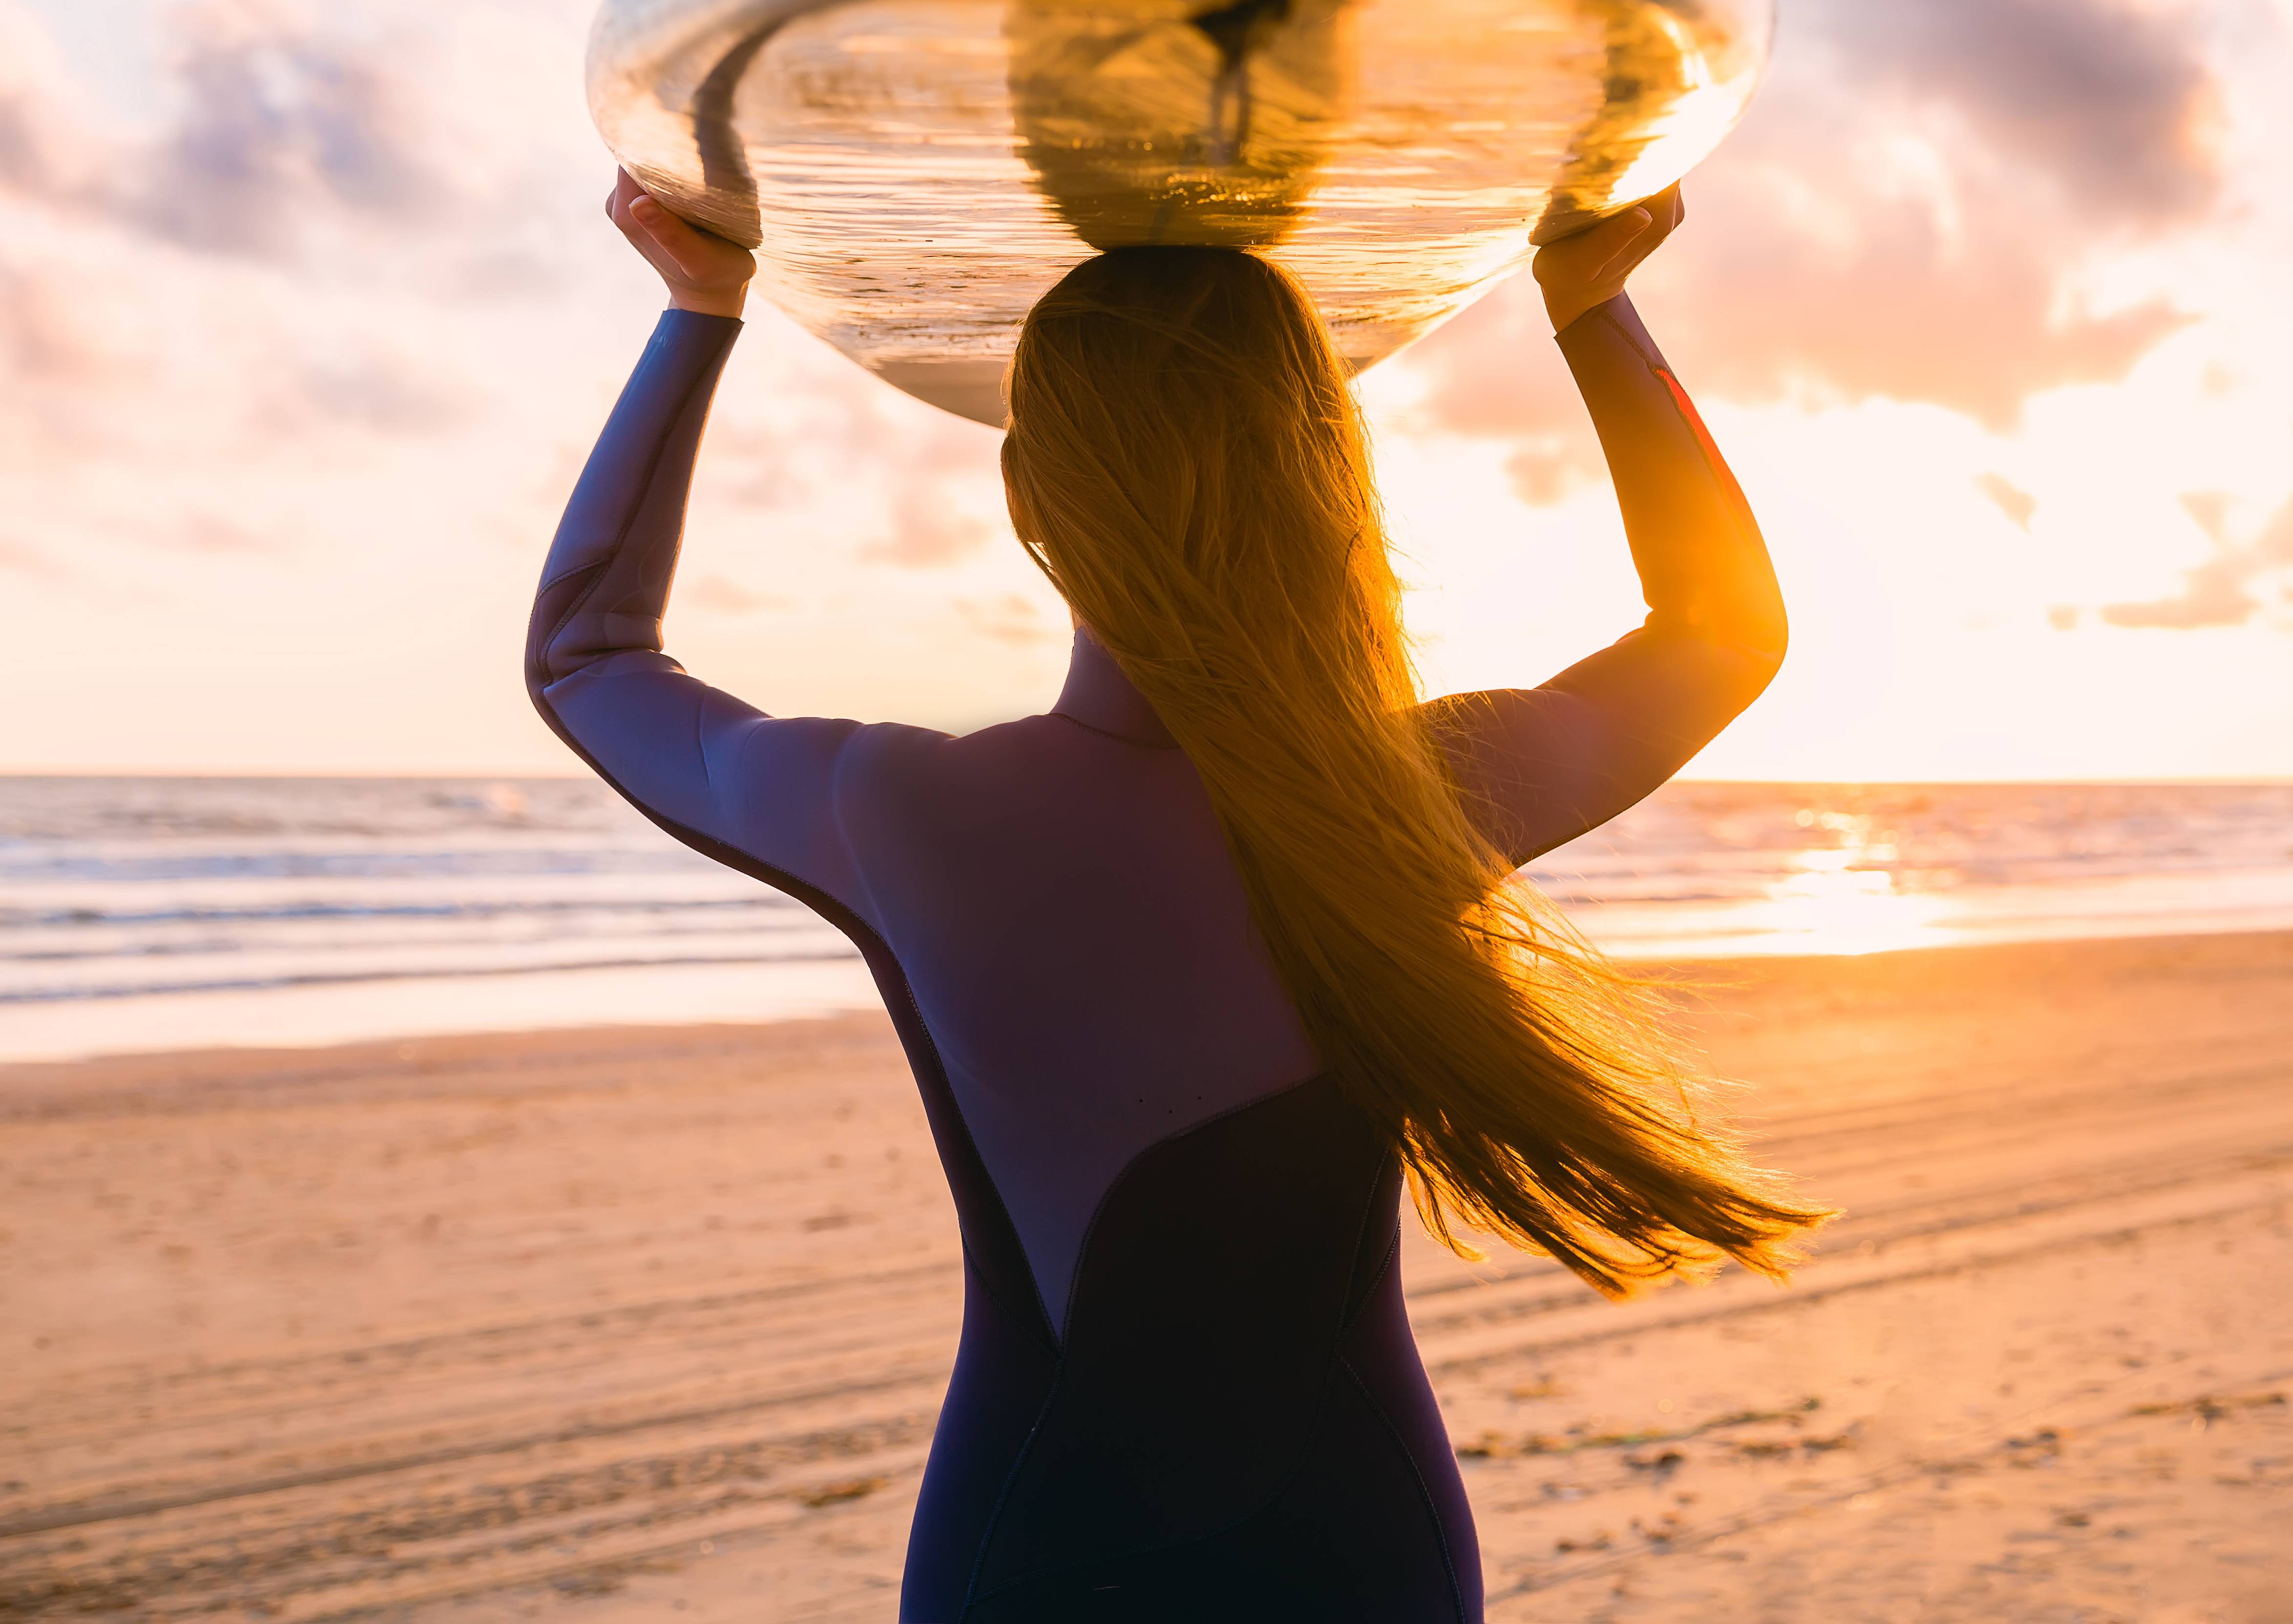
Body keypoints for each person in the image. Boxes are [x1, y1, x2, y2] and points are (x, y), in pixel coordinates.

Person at [530, 169, 1821, 1623]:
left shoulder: (894, 812)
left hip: (1030, 1551)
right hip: (1364, 1550)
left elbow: (587, 658)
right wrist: (1592, 307)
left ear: (1025, 493)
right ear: (1333, 475)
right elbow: (1721, 630)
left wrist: (699, 311)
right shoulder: (1415, 797)